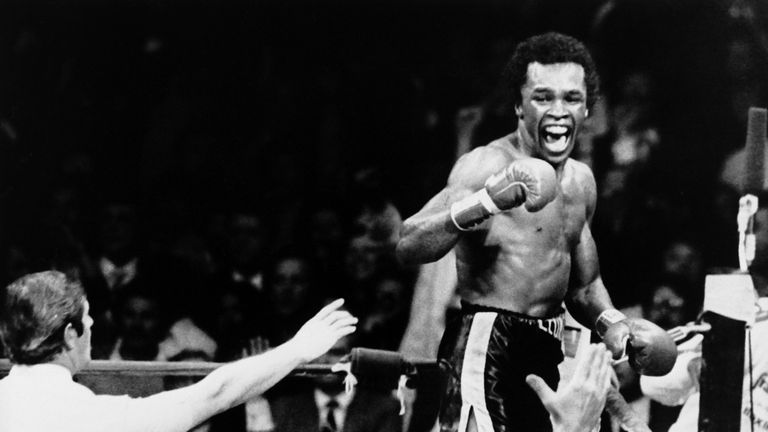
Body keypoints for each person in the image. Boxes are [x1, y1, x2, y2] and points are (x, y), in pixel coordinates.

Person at [396, 32, 676, 431]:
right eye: (543, 97)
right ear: (518, 105)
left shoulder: (582, 182)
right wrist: (487, 203)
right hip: (484, 345)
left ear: (587, 110)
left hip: (548, 348)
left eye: (571, 98)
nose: (559, 110)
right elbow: (408, 243)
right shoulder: (486, 165)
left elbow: (583, 286)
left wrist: (613, 324)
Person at [0, 270, 357, 432]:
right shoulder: (96, 417)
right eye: (88, 319)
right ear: (68, 336)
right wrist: (297, 349)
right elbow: (215, 392)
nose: (93, 327)